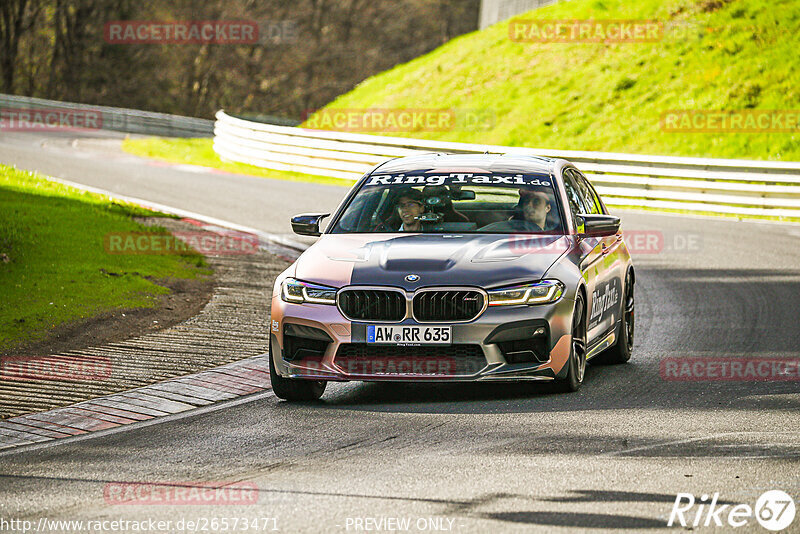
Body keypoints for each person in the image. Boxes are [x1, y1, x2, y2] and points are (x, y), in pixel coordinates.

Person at [480, 188, 553, 232]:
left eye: (536, 202)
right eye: (527, 201)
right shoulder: (502, 228)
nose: (529, 205)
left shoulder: (556, 234)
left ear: (548, 208)